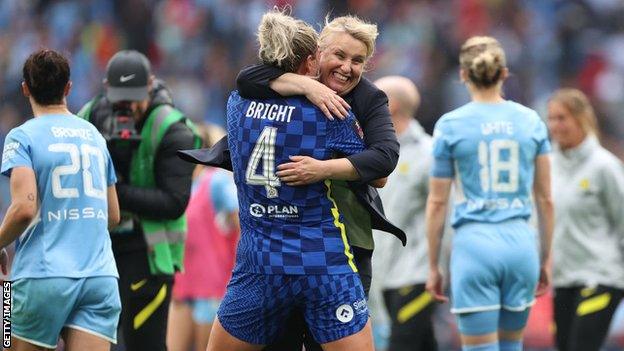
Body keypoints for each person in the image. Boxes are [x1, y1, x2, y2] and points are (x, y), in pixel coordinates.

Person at [183, 10, 374, 351]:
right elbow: (375, 167)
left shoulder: (237, 104)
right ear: (309, 61)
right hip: (321, 262)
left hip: (260, 263)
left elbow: (249, 80)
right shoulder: (328, 111)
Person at [234, 15, 403, 350]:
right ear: (316, 54)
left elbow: (384, 162)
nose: (347, 67)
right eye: (339, 55)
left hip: (346, 247)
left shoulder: (369, 99)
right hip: (278, 248)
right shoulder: (287, 83)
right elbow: (245, 80)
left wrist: (321, 169)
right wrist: (307, 86)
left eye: (358, 61)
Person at [425, 36, 554, 351]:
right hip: (520, 244)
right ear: (504, 73)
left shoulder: (450, 125)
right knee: (512, 347)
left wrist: (433, 265)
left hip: (475, 247)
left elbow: (438, 202)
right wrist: (546, 258)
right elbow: (546, 199)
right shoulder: (531, 121)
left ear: (463, 74)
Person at [77, 50, 199, 351]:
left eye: (133, 98)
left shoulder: (173, 129)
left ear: (150, 86)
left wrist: (112, 191)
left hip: (147, 255)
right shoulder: (91, 114)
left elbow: (174, 202)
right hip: (98, 248)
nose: (127, 108)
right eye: (120, 98)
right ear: (106, 87)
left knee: (145, 345)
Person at [0, 49, 120, 351]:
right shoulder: (93, 135)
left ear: (25, 88)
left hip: (44, 276)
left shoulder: (21, 137)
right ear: (68, 87)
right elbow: (113, 215)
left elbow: (24, 208)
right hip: (99, 277)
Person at [547, 88, 624, 351]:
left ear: (582, 119)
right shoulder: (548, 166)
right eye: (552, 118)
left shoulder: (604, 167)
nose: (556, 126)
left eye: (562, 118)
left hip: (600, 275)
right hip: (564, 278)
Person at [371, 76, 438, 351]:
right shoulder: (371, 151)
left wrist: (439, 268)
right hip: (380, 276)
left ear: (391, 105)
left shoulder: (430, 153)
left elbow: (445, 214)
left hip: (415, 274)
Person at [167, 124, 240, 351]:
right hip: (183, 283)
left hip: (213, 287)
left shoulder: (216, 180)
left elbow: (240, 223)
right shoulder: (181, 186)